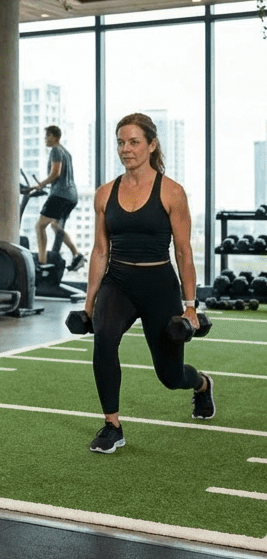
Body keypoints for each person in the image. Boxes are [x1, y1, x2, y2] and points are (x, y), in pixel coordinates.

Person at [83, 112, 214, 453]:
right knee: (104, 337)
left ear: (152, 145)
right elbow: (100, 251)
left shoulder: (171, 192)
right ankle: (112, 426)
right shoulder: (105, 193)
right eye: (121, 142)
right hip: (119, 281)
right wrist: (88, 304)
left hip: (159, 285)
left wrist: (190, 307)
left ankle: (200, 385)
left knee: (171, 377)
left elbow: (184, 252)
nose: (126, 149)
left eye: (134, 142)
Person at [31, 125, 85, 272]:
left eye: (47, 136)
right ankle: (77, 254)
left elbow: (56, 173)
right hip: (72, 196)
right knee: (56, 226)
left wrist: (41, 184)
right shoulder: (66, 153)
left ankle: (41, 264)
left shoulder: (55, 150)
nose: (45, 139)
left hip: (59, 195)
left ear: (54, 136)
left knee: (40, 226)